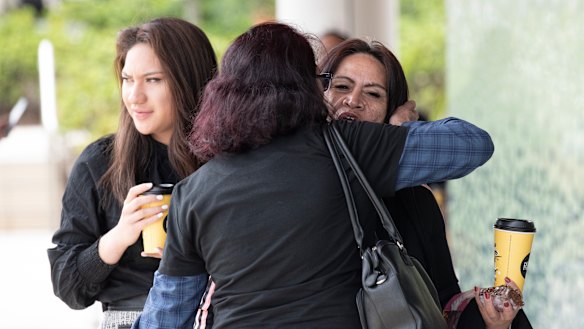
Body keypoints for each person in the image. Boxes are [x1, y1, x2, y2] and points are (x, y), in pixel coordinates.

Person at [133, 22, 494, 329]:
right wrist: (399, 132)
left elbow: (166, 315)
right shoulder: (346, 149)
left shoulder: (192, 193)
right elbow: (472, 146)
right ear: (307, 87)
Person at [319, 38, 531, 329]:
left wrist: (491, 321)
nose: (354, 100)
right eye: (342, 87)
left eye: (373, 93)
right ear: (318, 92)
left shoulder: (414, 200)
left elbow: (441, 303)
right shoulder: (297, 177)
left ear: (390, 111)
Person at [47, 17, 217, 328]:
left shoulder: (224, 161)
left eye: (153, 80)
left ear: (189, 80)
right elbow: (67, 285)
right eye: (128, 79)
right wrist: (120, 236)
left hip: (213, 316)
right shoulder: (101, 162)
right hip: (128, 318)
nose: (134, 96)